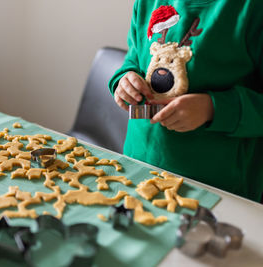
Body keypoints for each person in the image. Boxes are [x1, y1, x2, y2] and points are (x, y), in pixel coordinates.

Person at [109, 0, 263, 202]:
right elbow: (134, 58)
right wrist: (123, 80)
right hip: (138, 167)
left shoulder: (253, 9)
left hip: (217, 190)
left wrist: (213, 108)